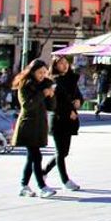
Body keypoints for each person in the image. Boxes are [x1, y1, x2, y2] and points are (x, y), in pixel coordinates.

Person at [12, 60, 57, 197]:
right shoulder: (25, 85)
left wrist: (51, 95)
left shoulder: (44, 85)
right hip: (28, 125)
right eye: (40, 72)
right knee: (36, 156)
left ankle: (24, 185)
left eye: (44, 72)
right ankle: (42, 187)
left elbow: (51, 107)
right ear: (32, 71)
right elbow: (27, 106)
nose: (42, 75)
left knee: (31, 158)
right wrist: (42, 94)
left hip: (40, 124)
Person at [42, 57, 82, 190]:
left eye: (66, 63)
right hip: (58, 118)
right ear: (55, 65)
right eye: (61, 63)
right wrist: (69, 110)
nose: (64, 66)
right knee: (60, 151)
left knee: (64, 152)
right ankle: (65, 180)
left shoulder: (72, 79)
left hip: (70, 119)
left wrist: (78, 101)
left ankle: (43, 172)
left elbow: (78, 95)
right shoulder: (52, 81)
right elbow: (54, 103)